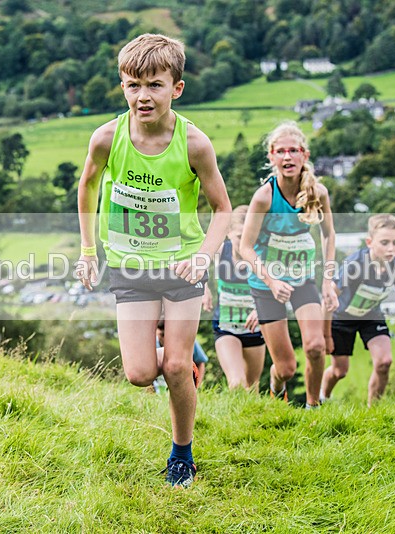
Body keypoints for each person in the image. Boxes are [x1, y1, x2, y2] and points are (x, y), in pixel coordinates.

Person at [75, 33, 231, 488]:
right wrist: (88, 251)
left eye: (155, 85)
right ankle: (174, 355)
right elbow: (86, 187)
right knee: (141, 373)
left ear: (176, 88)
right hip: (131, 268)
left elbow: (223, 209)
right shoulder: (107, 138)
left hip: (182, 265)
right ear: (122, 87)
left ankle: (181, 453)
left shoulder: (195, 144)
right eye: (132, 85)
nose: (142, 96)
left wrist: (203, 258)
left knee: (177, 367)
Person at [239, 121, 338, 407]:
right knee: (285, 368)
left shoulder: (318, 193)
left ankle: (313, 406)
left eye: (293, 150)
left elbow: (329, 235)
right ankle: (275, 387)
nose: (287, 157)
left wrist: (328, 282)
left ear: (304, 155)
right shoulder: (264, 198)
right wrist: (271, 280)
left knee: (316, 347)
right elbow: (245, 247)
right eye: (280, 151)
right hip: (266, 284)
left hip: (302, 279)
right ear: (271, 157)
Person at [321, 214, 395, 406]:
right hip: (341, 318)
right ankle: (322, 398)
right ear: (370, 242)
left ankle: (373, 410)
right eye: (384, 242)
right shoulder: (354, 264)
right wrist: (325, 335)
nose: (391, 249)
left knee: (384, 363)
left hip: (371, 316)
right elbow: (328, 297)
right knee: (339, 371)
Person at [202, 205, 265, 391]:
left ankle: (248, 418)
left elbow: (276, 289)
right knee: (237, 384)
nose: (244, 242)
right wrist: (204, 289)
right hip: (226, 326)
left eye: (249, 235)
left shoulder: (261, 256)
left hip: (254, 329)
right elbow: (199, 261)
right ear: (229, 233)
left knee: (252, 386)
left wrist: (261, 309)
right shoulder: (222, 250)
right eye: (239, 236)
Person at [155, 317, 208, 391]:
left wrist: (196, 386)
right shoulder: (152, 344)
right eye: (162, 335)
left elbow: (200, 362)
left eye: (169, 335)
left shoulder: (186, 341)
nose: (165, 339)